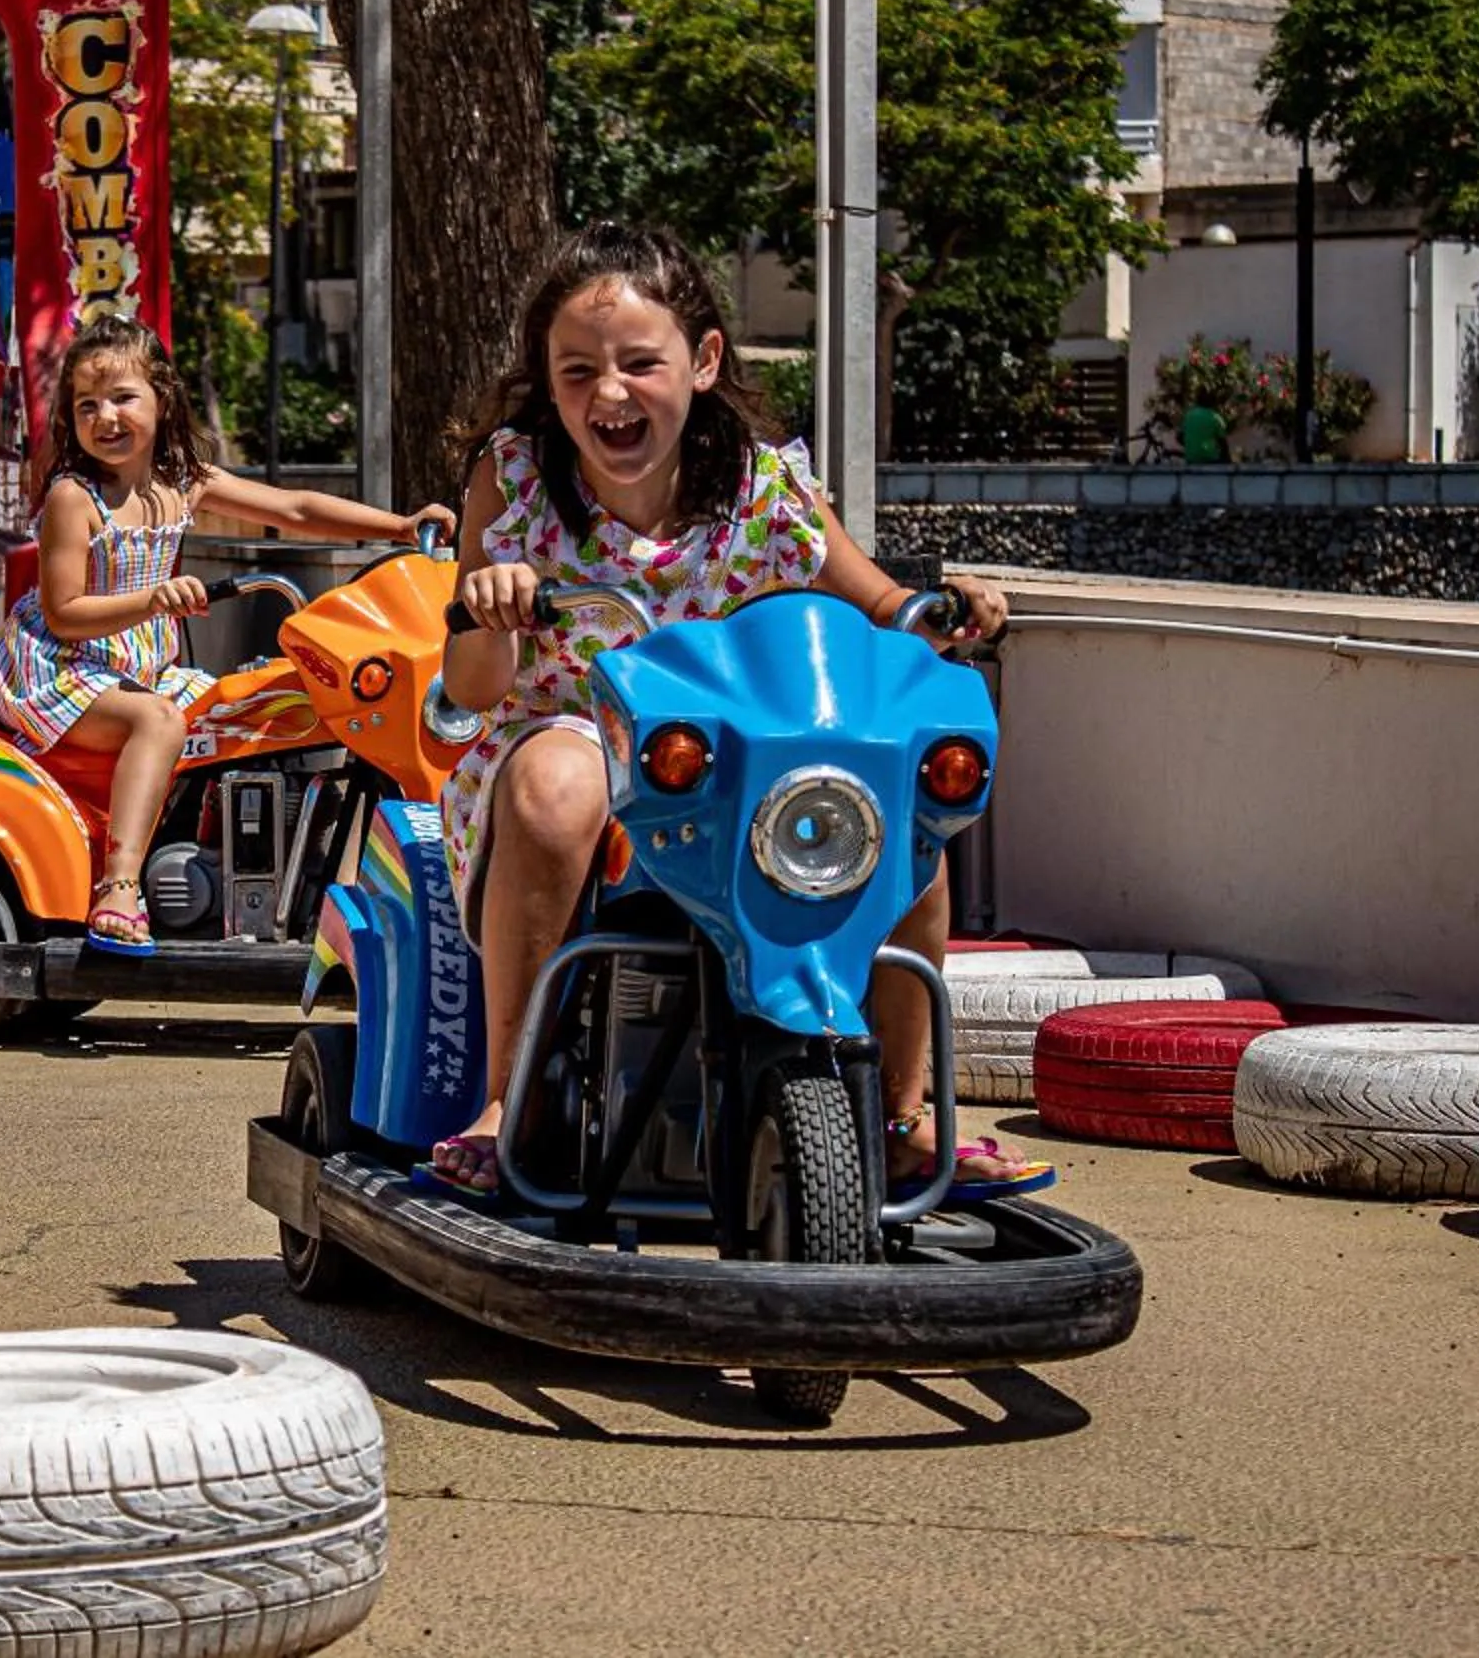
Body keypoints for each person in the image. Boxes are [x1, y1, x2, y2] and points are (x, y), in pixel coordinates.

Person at [430, 221, 1049, 1202]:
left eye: (640, 363)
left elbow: (882, 607)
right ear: (549, 383)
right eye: (578, 371)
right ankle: (511, 1097)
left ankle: (900, 1109)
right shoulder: (513, 479)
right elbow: (468, 688)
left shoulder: (765, 490)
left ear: (705, 361)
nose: (610, 394)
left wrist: (948, 612)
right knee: (558, 782)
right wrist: (495, 603)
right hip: (571, 729)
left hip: (731, 763)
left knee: (901, 825)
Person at [0, 314, 455, 955]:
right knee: (158, 723)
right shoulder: (76, 497)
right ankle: (119, 886)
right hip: (63, 667)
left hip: (139, 665)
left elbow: (293, 509)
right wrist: (153, 599)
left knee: (258, 699)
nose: (107, 417)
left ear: (162, 398)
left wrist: (399, 527)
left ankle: (249, 866)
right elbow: (65, 611)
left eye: (123, 398)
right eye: (87, 405)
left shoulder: (183, 481)